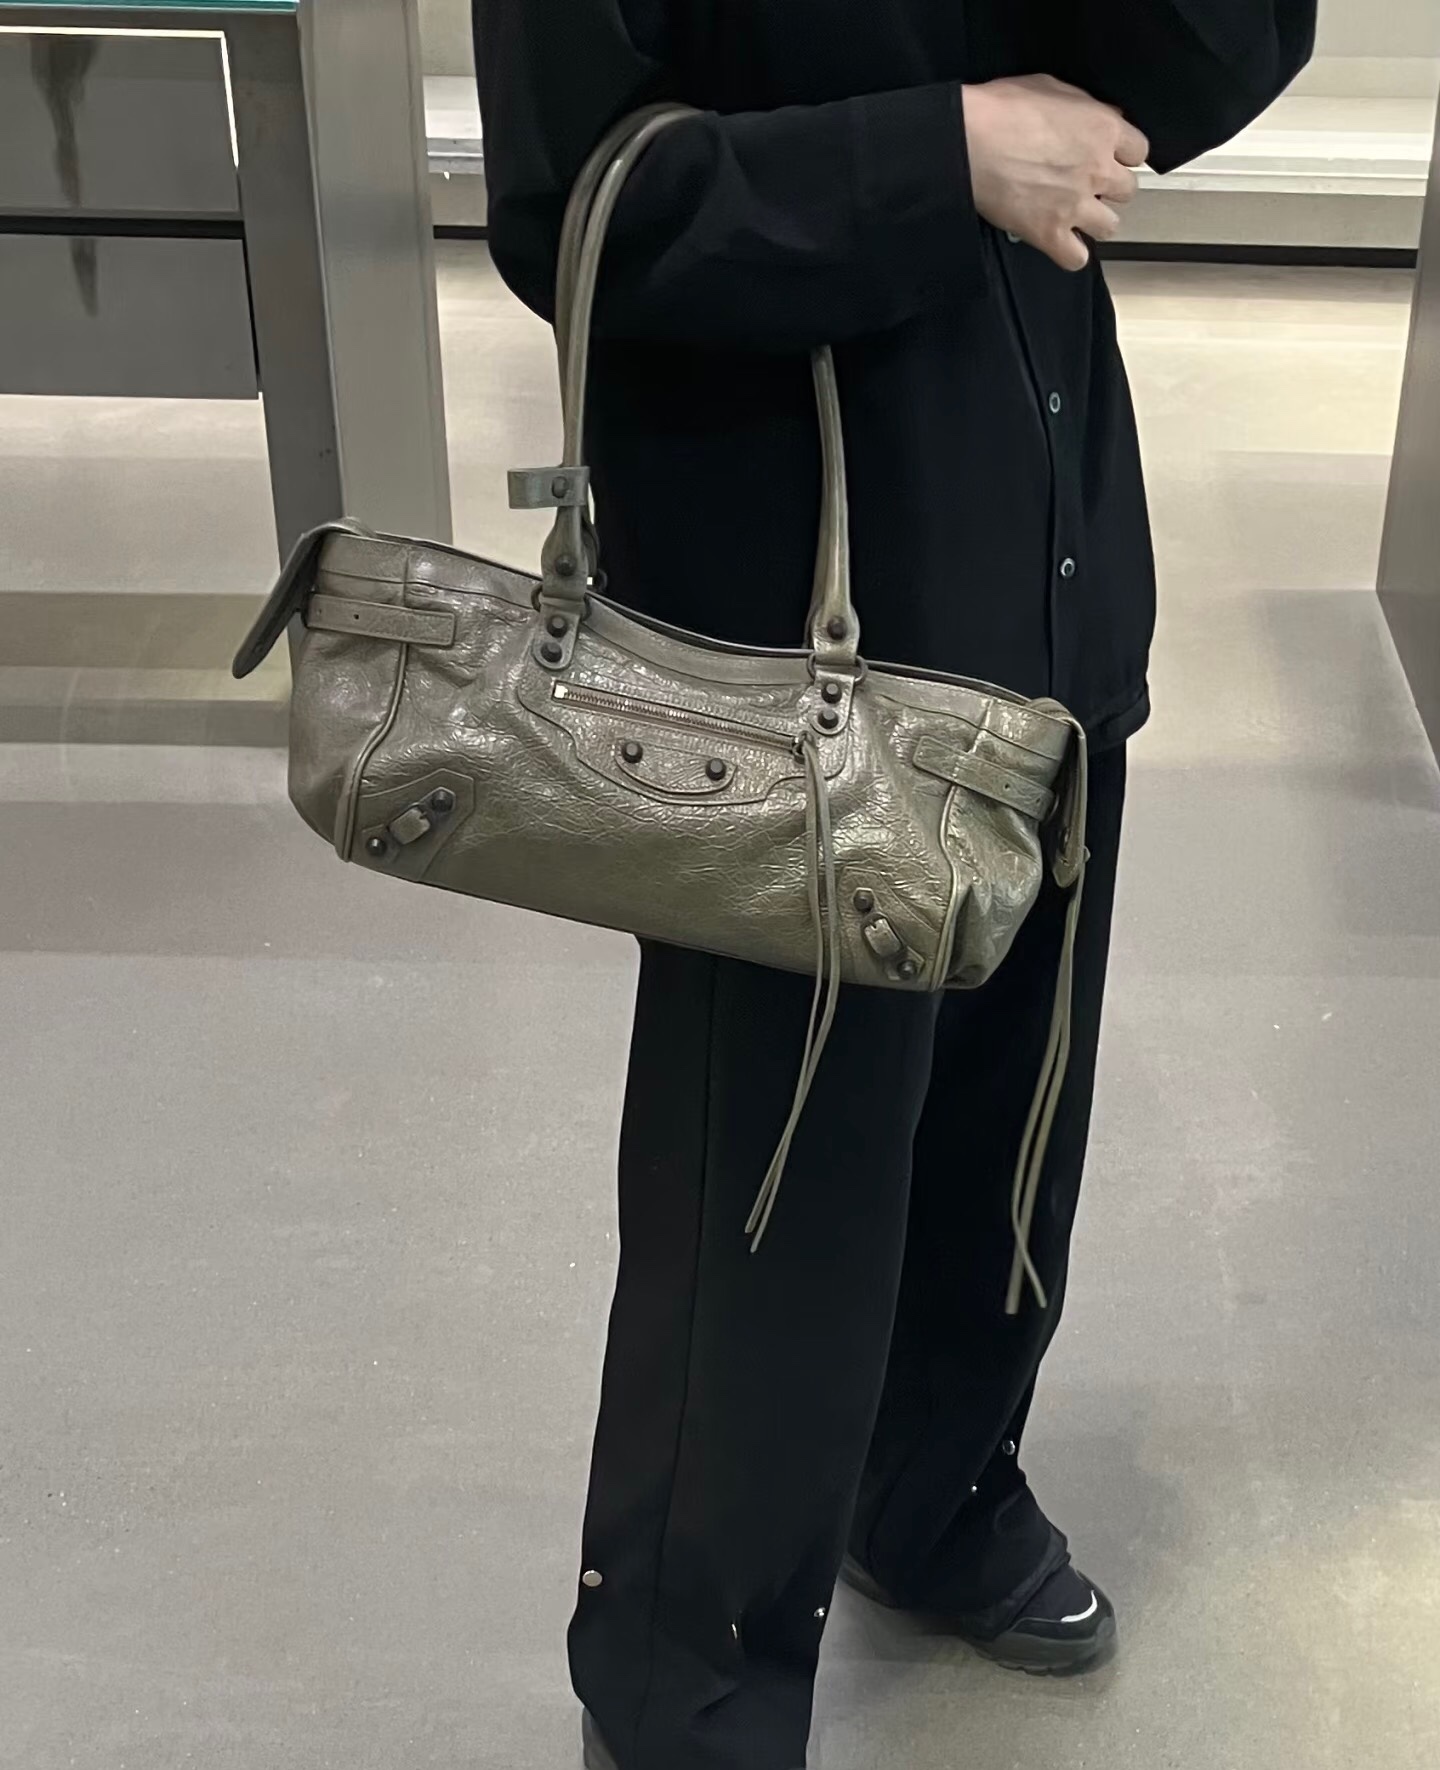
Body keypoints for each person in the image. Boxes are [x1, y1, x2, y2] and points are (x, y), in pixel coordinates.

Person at [472, 4, 1317, 1765]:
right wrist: (940, 161)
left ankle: (932, 1489)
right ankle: (687, 1682)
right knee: (777, 1172)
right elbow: (582, 209)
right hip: (793, 616)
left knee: (1013, 1115)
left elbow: (1210, 61)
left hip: (1045, 547)